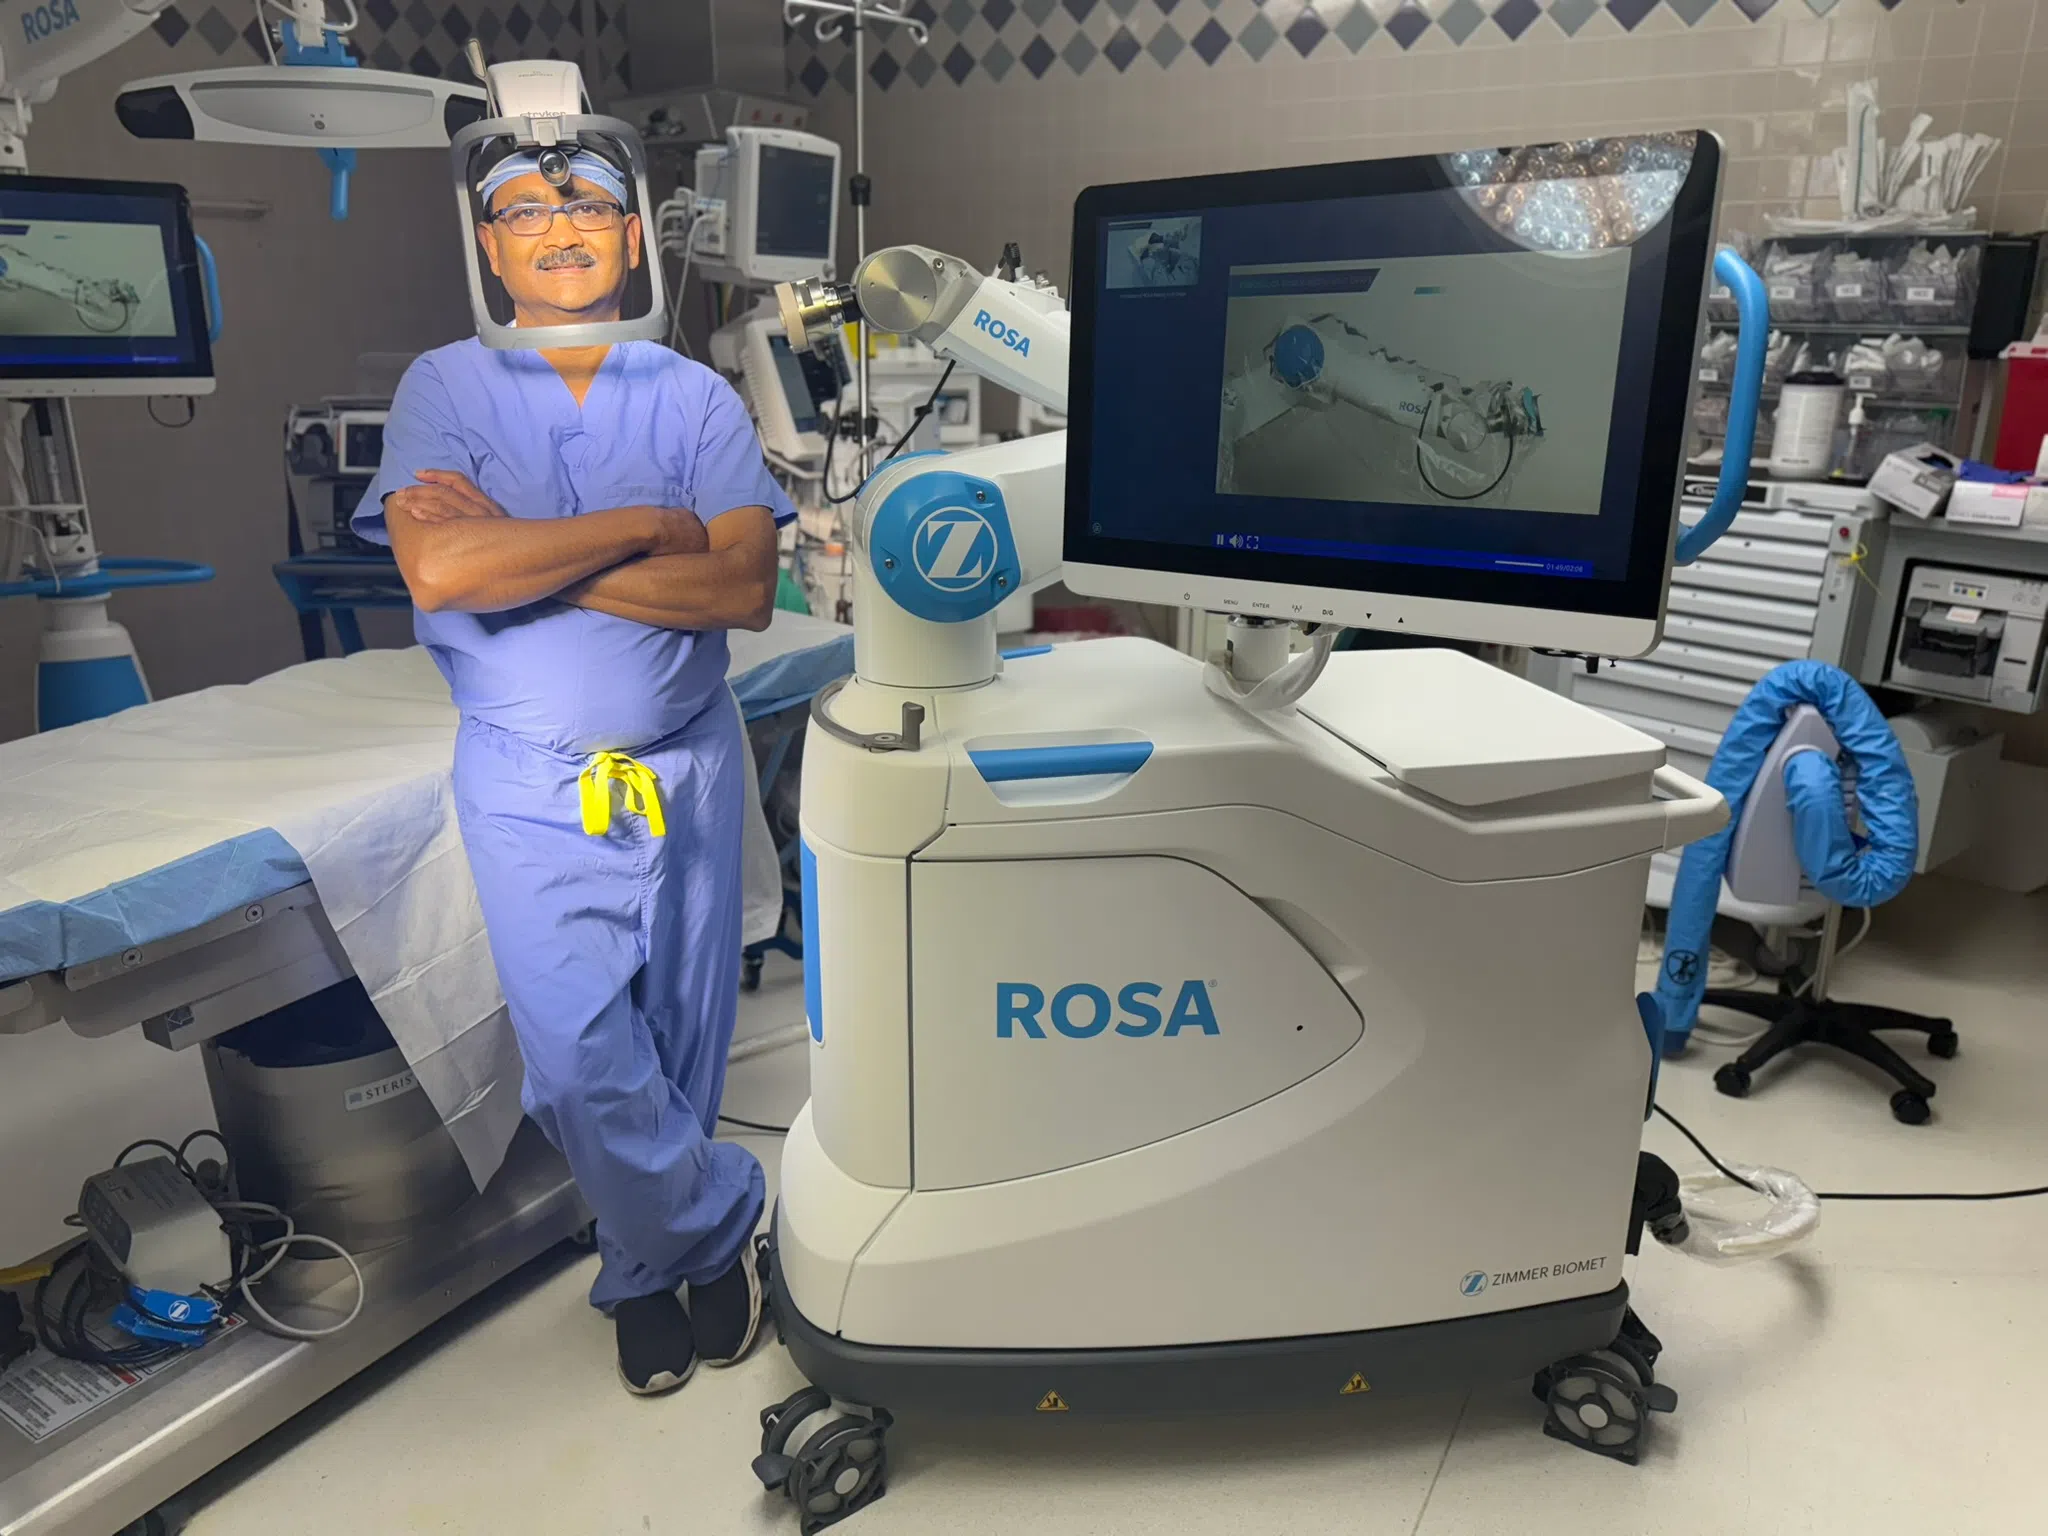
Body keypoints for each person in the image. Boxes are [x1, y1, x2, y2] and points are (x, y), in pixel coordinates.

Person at [354, 145, 794, 1395]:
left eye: (589, 203)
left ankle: (644, 1270)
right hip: (530, 782)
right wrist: (644, 527)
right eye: (525, 210)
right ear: (488, 245)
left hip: (686, 764)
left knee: (681, 1041)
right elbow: (441, 572)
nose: (559, 226)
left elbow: (742, 590)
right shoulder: (443, 388)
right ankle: (718, 1221)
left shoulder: (693, 396)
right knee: (582, 1059)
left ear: (633, 235)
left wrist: (526, 553)